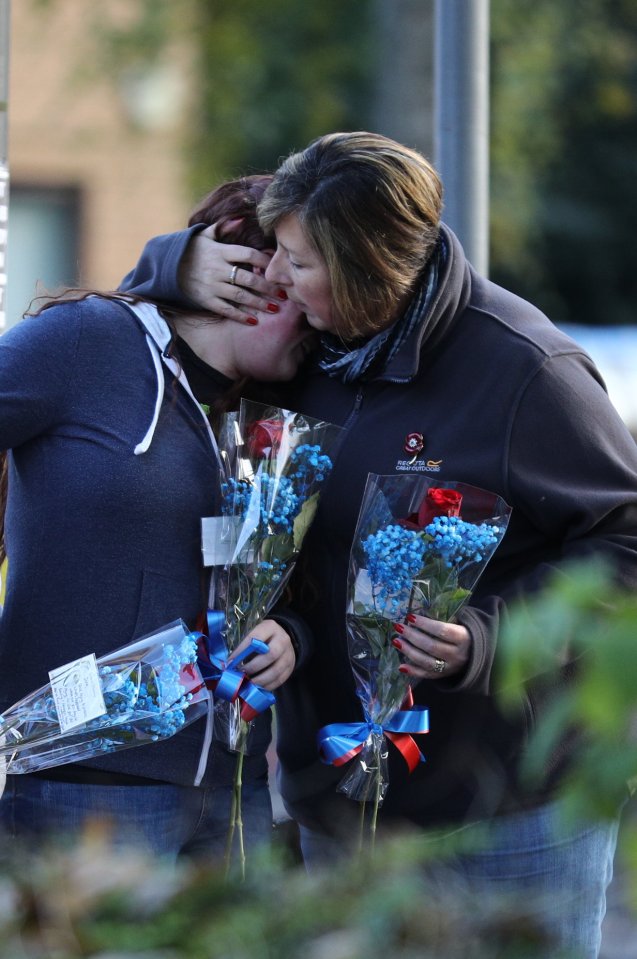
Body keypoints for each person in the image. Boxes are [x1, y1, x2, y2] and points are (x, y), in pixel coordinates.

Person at [120, 132, 637, 956]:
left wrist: (485, 638)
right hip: (337, 806)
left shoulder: (527, 371)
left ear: (366, 268)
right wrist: (167, 266)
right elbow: (142, 355)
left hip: (507, 815)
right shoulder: (301, 352)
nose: (276, 279)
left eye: (296, 259)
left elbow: (624, 547)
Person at [0, 174, 316, 864]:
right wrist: (168, 265)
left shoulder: (285, 411)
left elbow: (293, 577)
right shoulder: (90, 339)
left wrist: (291, 632)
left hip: (233, 789)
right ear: (246, 272)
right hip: (82, 790)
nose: (323, 315)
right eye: (302, 277)